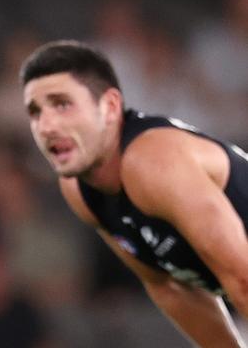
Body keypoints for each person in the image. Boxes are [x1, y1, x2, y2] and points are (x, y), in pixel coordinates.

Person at [19, 39, 248, 347]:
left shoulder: (152, 163)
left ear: (111, 106)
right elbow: (169, 286)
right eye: (35, 112)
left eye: (62, 104)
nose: (46, 126)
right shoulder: (80, 189)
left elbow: (242, 274)